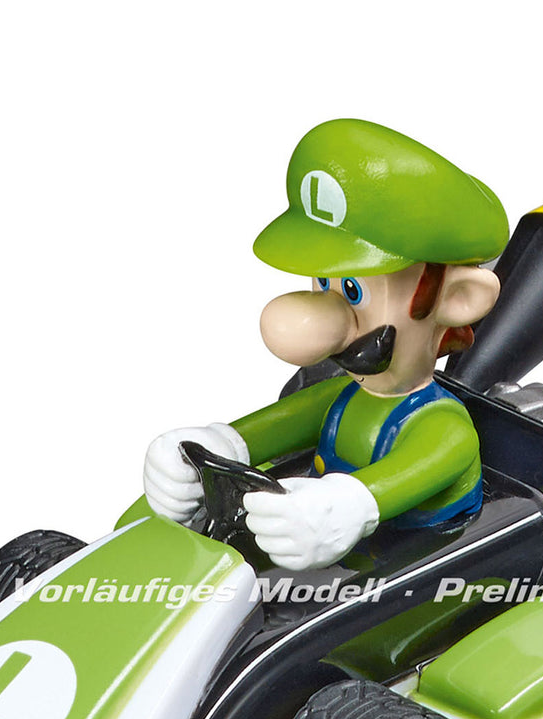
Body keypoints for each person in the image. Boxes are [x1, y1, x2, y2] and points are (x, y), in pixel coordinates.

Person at [143, 119, 508, 570]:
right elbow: (275, 427)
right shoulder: (344, 396)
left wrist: (348, 505)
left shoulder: (444, 427)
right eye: (323, 282)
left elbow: (409, 473)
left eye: (354, 290)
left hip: (424, 570)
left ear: (457, 299)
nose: (323, 313)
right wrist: (210, 445)